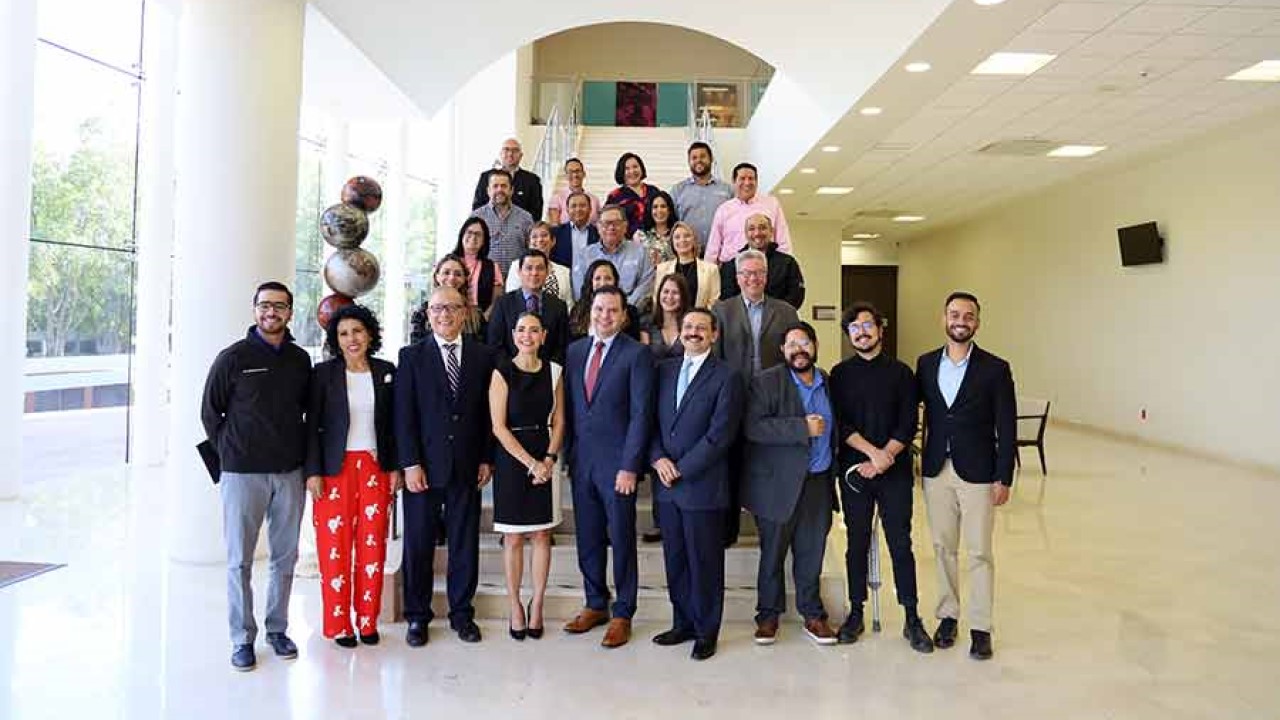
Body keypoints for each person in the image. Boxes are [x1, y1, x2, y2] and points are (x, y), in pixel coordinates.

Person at [200, 281, 311, 671]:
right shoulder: (232, 358)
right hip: (242, 474)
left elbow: (307, 412)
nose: (271, 312)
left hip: (289, 473)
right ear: (254, 310)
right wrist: (232, 452)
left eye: (279, 306)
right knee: (239, 561)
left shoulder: (300, 360)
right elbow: (210, 413)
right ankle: (242, 638)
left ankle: (277, 630)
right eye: (265, 305)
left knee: (285, 557)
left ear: (290, 312)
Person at [394, 286, 497, 647]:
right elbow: (403, 416)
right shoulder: (411, 357)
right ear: (428, 313)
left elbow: (489, 415)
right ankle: (417, 616)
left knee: (464, 544)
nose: (445, 315)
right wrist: (410, 464)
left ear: (465, 313)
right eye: (437, 308)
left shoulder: (484, 356)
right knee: (418, 544)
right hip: (423, 468)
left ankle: (462, 614)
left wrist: (486, 457)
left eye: (452, 308)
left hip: (467, 465)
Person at [916, 291, 1016, 661]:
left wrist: (1003, 476)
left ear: (977, 322)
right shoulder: (926, 363)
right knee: (942, 547)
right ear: (944, 319)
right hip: (936, 470)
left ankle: (980, 627)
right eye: (955, 314)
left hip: (978, 473)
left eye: (968, 316)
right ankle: (947, 616)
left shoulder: (995, 368)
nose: (961, 321)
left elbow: (1006, 426)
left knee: (979, 552)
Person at [829, 302, 933, 652]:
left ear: (880, 329)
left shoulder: (902, 373)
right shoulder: (840, 374)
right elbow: (840, 423)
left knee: (900, 543)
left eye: (867, 325)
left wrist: (884, 458)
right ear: (849, 335)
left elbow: (908, 422)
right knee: (856, 541)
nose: (861, 332)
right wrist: (872, 455)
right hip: (855, 471)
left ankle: (911, 616)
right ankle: (856, 611)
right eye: (854, 328)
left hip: (894, 471)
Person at [647, 308, 744, 661]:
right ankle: (683, 623)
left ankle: (706, 631)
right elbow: (649, 421)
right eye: (688, 327)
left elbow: (720, 435)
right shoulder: (664, 370)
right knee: (675, 560)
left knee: (705, 563)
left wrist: (681, 469)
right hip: (666, 486)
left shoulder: (728, 376)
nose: (693, 332)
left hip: (703, 486)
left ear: (714, 335)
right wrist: (658, 458)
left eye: (701, 328)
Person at [562, 286, 655, 648]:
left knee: (621, 537)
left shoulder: (637, 354)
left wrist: (631, 466)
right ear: (590, 312)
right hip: (582, 463)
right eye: (599, 309)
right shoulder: (575, 352)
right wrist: (568, 456)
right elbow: (571, 408)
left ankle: (623, 612)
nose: (605, 316)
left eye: (613, 310)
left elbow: (641, 414)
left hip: (618, 466)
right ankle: (595, 603)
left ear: (624, 316)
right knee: (588, 536)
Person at [303, 304, 401, 649]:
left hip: (375, 468)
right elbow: (311, 427)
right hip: (334, 470)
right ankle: (339, 624)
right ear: (336, 340)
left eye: (357, 331)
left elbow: (394, 425)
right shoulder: (322, 374)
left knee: (373, 547)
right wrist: (312, 472)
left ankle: (367, 621)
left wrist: (394, 467)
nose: (351, 339)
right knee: (335, 548)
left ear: (370, 334)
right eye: (343, 334)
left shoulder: (386, 371)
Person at [742, 322, 838, 646]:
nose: (799, 349)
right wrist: (801, 428)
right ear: (783, 350)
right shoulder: (766, 382)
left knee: (812, 552)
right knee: (772, 553)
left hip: (818, 482)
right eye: (792, 344)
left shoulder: (827, 382)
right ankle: (768, 615)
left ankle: (813, 614)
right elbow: (754, 427)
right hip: (777, 485)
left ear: (815, 346)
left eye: (805, 342)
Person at [712, 249, 799, 547]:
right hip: (734, 398)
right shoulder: (721, 311)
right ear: (737, 278)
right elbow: (716, 359)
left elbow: (794, 357)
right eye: (747, 273)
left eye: (758, 273)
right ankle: (729, 531)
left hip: (772, 402)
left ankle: (770, 533)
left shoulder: (786, 312)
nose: (753, 278)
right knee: (732, 465)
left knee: (768, 468)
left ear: (767, 276)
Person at [488, 311, 565, 641]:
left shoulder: (555, 371)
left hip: (546, 454)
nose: (527, 336)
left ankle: (538, 605)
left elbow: (560, 421)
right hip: (512, 459)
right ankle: (515, 605)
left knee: (542, 535)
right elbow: (498, 427)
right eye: (521, 330)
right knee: (515, 538)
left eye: (534, 330)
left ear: (543, 336)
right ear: (513, 335)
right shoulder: (501, 372)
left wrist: (548, 459)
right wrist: (531, 464)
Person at [488, 249, 570, 364]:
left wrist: (548, 369)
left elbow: (561, 347)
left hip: (547, 371)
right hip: (510, 370)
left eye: (540, 268)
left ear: (547, 272)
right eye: (529, 268)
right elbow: (495, 344)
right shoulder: (503, 303)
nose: (534, 273)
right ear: (519, 272)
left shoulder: (558, 306)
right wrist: (513, 368)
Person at [704, 163, 792, 263]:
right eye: (742, 178)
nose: (747, 183)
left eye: (751, 178)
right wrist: (708, 268)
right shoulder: (723, 209)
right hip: (730, 266)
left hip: (765, 264)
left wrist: (785, 264)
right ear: (734, 181)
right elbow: (713, 246)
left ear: (756, 182)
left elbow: (783, 239)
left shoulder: (772, 204)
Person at [718, 213, 805, 309]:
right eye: (751, 229)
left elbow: (796, 296)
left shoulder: (788, 263)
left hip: (779, 317)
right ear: (746, 233)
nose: (757, 233)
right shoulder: (730, 266)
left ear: (771, 231)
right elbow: (727, 299)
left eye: (762, 228)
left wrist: (774, 314)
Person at [576, 204, 654, 308]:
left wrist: (621, 309)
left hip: (631, 312)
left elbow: (645, 287)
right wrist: (599, 310)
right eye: (606, 223)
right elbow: (580, 290)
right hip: (594, 312)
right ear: (598, 227)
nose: (611, 227)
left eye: (616, 223)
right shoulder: (585, 255)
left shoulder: (641, 252)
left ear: (625, 226)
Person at [470, 169, 534, 276]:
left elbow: (531, 250)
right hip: (485, 277)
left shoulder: (526, 218)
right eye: (495, 186)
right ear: (488, 190)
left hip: (517, 278)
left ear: (511, 190)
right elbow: (469, 251)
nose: (499, 189)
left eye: (504, 186)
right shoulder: (476, 217)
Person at [410, 254, 485, 345]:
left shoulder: (476, 315)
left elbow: (482, 348)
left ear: (465, 279)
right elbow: (416, 348)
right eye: (446, 273)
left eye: (458, 274)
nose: (452, 278)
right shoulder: (421, 313)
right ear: (437, 276)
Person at [568, 259, 645, 345]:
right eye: (597, 278)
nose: (603, 283)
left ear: (615, 281)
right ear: (591, 282)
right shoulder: (578, 311)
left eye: (608, 278)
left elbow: (633, 346)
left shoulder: (630, 312)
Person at [670, 142, 732, 248]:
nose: (698, 160)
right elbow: (672, 222)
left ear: (711, 159)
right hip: (688, 251)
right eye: (694, 158)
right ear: (689, 162)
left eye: (703, 156)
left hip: (720, 250)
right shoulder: (678, 190)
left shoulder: (727, 189)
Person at [471, 138, 544, 220]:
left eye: (515, 150)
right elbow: (477, 206)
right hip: (489, 225)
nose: (510, 154)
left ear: (521, 155)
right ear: (500, 154)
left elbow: (536, 213)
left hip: (522, 226)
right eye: (506, 149)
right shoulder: (486, 177)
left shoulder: (532, 180)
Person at [653, 221, 720, 309]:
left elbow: (714, 302)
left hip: (699, 316)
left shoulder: (711, 269)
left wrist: (698, 316)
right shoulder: (662, 269)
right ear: (672, 242)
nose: (682, 240)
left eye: (687, 236)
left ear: (694, 239)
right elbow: (657, 300)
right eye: (677, 237)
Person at [505, 221, 573, 308]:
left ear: (553, 241)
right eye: (534, 236)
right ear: (528, 243)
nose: (540, 240)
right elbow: (512, 300)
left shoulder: (564, 271)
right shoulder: (517, 266)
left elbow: (569, 304)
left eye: (544, 235)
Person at [451, 218, 504, 323]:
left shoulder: (492, 267)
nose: (473, 237)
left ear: (484, 240)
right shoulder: (449, 262)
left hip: (480, 319)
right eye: (469, 232)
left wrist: (483, 319)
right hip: (451, 317)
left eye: (478, 234)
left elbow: (496, 300)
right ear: (462, 235)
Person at [605, 152, 660, 235]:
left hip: (654, 239)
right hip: (625, 241)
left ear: (641, 168)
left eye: (635, 167)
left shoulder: (653, 191)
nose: (632, 171)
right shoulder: (615, 196)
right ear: (622, 172)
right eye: (627, 168)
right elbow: (607, 222)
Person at [552, 190, 599, 274]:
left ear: (590, 209)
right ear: (567, 210)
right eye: (573, 206)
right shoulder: (555, 233)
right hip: (564, 278)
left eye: (582, 205)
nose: (578, 209)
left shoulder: (599, 234)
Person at [547, 157, 599, 226]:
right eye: (570, 172)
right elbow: (554, 226)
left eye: (578, 171)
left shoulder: (594, 200)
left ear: (584, 174)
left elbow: (598, 224)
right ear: (566, 176)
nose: (575, 175)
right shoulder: (556, 199)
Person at [637, 189, 678, 271]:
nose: (659, 210)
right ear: (650, 210)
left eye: (663, 206)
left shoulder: (678, 234)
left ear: (669, 210)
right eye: (655, 207)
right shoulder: (639, 236)